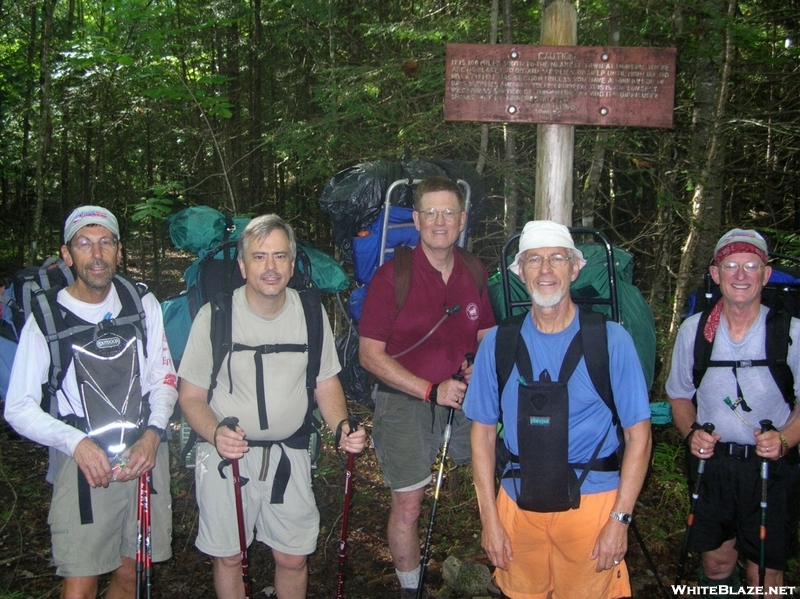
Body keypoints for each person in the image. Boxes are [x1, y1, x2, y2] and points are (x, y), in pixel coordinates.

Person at [177, 214, 366, 599]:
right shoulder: (215, 316)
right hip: (224, 458)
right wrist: (215, 433)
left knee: (294, 557)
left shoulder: (311, 315)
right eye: (260, 257)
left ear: (292, 265)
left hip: (290, 455)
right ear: (243, 265)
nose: (270, 267)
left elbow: (325, 383)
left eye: (280, 257)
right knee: (229, 557)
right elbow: (191, 397)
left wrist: (341, 426)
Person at [465, 220, 652, 599]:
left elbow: (639, 436)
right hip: (517, 505)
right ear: (520, 272)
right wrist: (490, 519)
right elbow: (482, 433)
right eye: (534, 260)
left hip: (594, 505)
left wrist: (620, 520)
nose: (546, 270)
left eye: (557, 258)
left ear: (575, 268)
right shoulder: (499, 342)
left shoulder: (610, 339)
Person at [4, 205, 177, 599]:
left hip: (144, 454)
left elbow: (163, 378)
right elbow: (18, 406)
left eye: (105, 243)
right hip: (83, 465)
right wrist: (76, 445)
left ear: (119, 250)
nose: (96, 255)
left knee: (131, 571)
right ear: (67, 255)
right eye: (84, 243)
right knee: (80, 580)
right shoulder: (47, 318)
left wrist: (152, 435)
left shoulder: (140, 302)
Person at [358, 176, 495, 597]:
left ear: (462, 219)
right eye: (431, 212)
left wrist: (478, 369)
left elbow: (487, 335)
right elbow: (370, 355)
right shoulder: (391, 276)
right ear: (416, 220)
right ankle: (409, 588)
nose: (440, 221)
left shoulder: (473, 269)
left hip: (463, 400)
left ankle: (509, 567)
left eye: (448, 212)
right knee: (409, 504)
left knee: (498, 481)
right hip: (405, 404)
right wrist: (428, 389)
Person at [666, 228, 800, 596]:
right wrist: (691, 432)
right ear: (715, 274)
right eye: (730, 265)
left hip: (772, 469)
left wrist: (785, 440)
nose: (740, 275)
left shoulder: (791, 332)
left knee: (765, 576)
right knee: (716, 563)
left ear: (766, 274)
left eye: (751, 265)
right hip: (713, 467)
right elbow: (678, 397)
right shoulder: (694, 332)